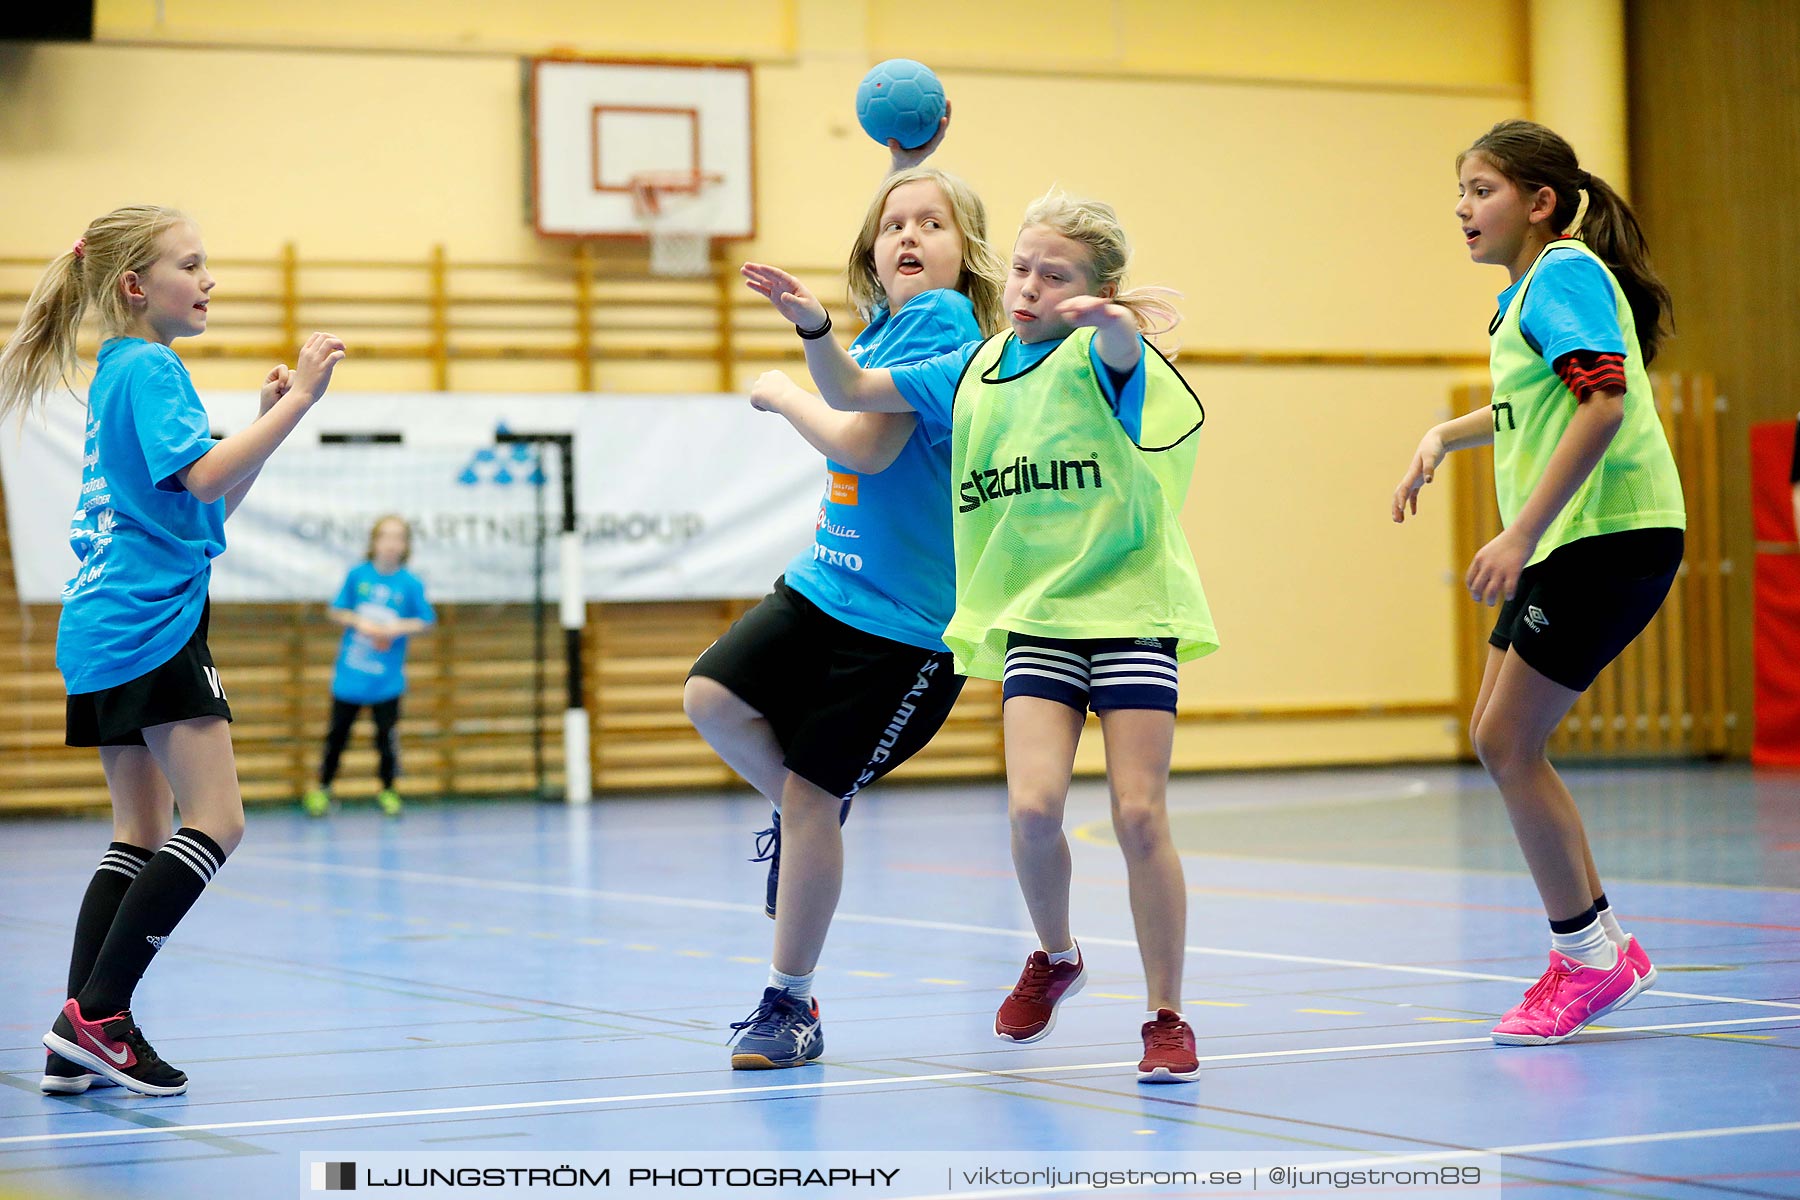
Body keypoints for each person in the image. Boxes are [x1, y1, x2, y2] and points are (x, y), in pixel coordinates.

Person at [744, 185, 1217, 1083]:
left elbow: (1123, 347)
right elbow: (851, 393)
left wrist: (1109, 321)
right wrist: (811, 328)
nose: (1035, 286)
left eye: (1059, 276)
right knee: (1033, 812)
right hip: (1037, 618)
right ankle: (1057, 955)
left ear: (1096, 290)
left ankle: (1165, 1016)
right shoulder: (974, 365)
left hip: (1127, 616)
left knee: (1136, 813)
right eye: (1028, 270)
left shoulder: (1104, 358)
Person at [0, 205, 345, 1095]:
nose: (208, 280)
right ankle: (99, 1015)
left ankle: (72, 1036)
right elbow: (203, 478)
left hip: (104, 623)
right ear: (134, 285)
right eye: (190, 264)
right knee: (217, 820)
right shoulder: (152, 367)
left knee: (139, 832)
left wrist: (270, 424)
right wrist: (301, 398)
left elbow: (203, 508)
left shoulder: (120, 370)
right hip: (149, 624)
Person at [687, 133, 1005, 1071]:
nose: (909, 236)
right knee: (713, 700)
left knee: (814, 796)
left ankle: (791, 1005)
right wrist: (907, 168)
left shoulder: (946, 328)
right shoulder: (892, 320)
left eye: (932, 225)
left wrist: (791, 382)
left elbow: (859, 441)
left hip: (904, 634)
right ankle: (803, 821)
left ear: (968, 253)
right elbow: (870, 322)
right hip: (825, 587)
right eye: (893, 227)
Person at [1393, 119, 1685, 1045]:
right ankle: (1597, 947)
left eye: (1480, 190)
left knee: (1509, 742)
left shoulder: (1562, 271)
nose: (1462, 208)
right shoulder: (1529, 292)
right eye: (1461, 190)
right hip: (1575, 542)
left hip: (1611, 532)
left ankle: (1593, 958)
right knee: (1498, 737)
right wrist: (1445, 436)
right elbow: (1539, 399)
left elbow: (1603, 399)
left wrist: (1522, 531)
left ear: (1539, 202)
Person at [302, 514, 435, 817]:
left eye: (398, 538)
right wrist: (360, 621)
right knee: (337, 736)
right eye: (385, 537)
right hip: (350, 677)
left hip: (387, 681)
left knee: (386, 739)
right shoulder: (358, 576)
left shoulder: (410, 584)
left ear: (405, 546)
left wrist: (395, 628)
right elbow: (337, 611)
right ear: (374, 542)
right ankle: (323, 789)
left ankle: (389, 791)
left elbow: (426, 621)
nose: (391, 544)